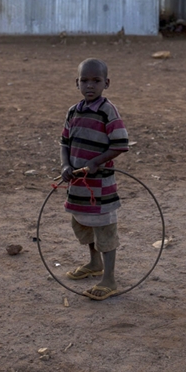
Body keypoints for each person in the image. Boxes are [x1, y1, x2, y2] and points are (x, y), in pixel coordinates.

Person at [60, 58, 129, 301]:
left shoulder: (107, 111)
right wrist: (66, 164)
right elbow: (65, 143)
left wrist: (96, 162)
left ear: (106, 83)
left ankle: (109, 279)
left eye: (96, 81)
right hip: (78, 186)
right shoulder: (73, 111)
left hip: (101, 187)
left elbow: (120, 145)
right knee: (84, 224)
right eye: (84, 80)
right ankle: (94, 262)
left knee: (104, 230)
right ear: (76, 83)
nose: (90, 85)